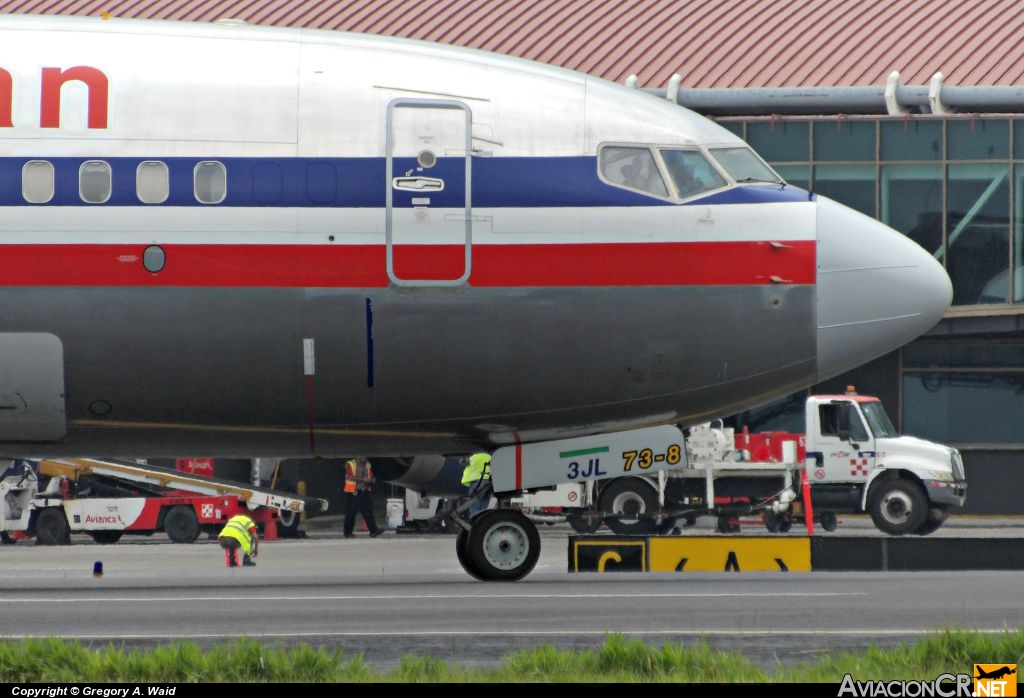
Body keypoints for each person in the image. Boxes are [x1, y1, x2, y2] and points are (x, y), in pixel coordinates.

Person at [343, 456, 382, 538]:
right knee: (351, 513)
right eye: (364, 457)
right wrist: (363, 479)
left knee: (368, 512)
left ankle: (373, 531)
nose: (366, 459)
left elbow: (370, 474)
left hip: (365, 490)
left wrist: (371, 479)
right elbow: (349, 477)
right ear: (358, 457)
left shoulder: (367, 464)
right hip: (353, 491)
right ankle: (348, 533)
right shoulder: (350, 464)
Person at [461, 452, 492, 516]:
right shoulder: (490, 457)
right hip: (487, 484)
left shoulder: (473, 457)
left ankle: (476, 521)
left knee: (474, 508)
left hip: (477, 484)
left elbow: (462, 461)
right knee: (482, 510)